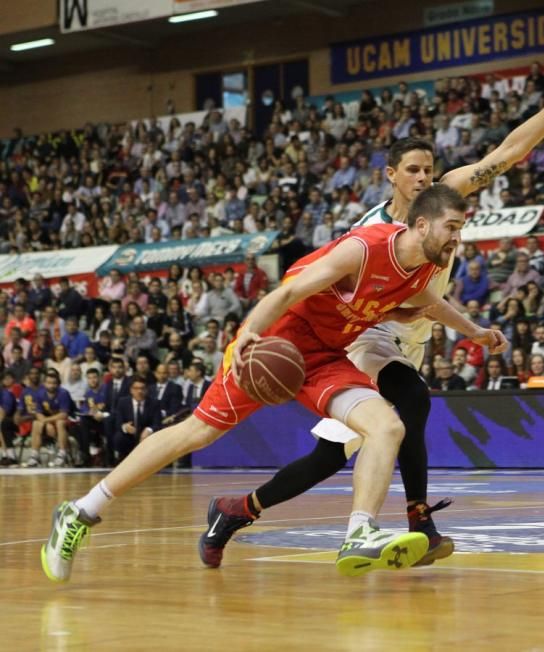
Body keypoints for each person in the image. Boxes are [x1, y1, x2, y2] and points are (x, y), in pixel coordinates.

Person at [189, 47, 544, 571]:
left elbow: (509, 151)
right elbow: (330, 292)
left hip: (414, 335)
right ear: (392, 176)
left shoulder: (447, 196)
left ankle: (234, 510)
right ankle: (419, 521)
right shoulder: (370, 231)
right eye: (413, 171)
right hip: (365, 335)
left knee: (328, 457)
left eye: (429, 169)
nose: (424, 178)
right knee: (412, 401)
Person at [42, 184, 509, 583]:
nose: (457, 237)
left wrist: (476, 332)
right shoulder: (364, 249)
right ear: (422, 225)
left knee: (386, 426)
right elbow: (286, 293)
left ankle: (359, 534)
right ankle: (81, 511)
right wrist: (248, 334)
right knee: (199, 432)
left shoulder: (423, 269)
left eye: (461, 228)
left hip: (326, 356)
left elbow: (429, 304)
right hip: (278, 343)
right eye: (451, 226)